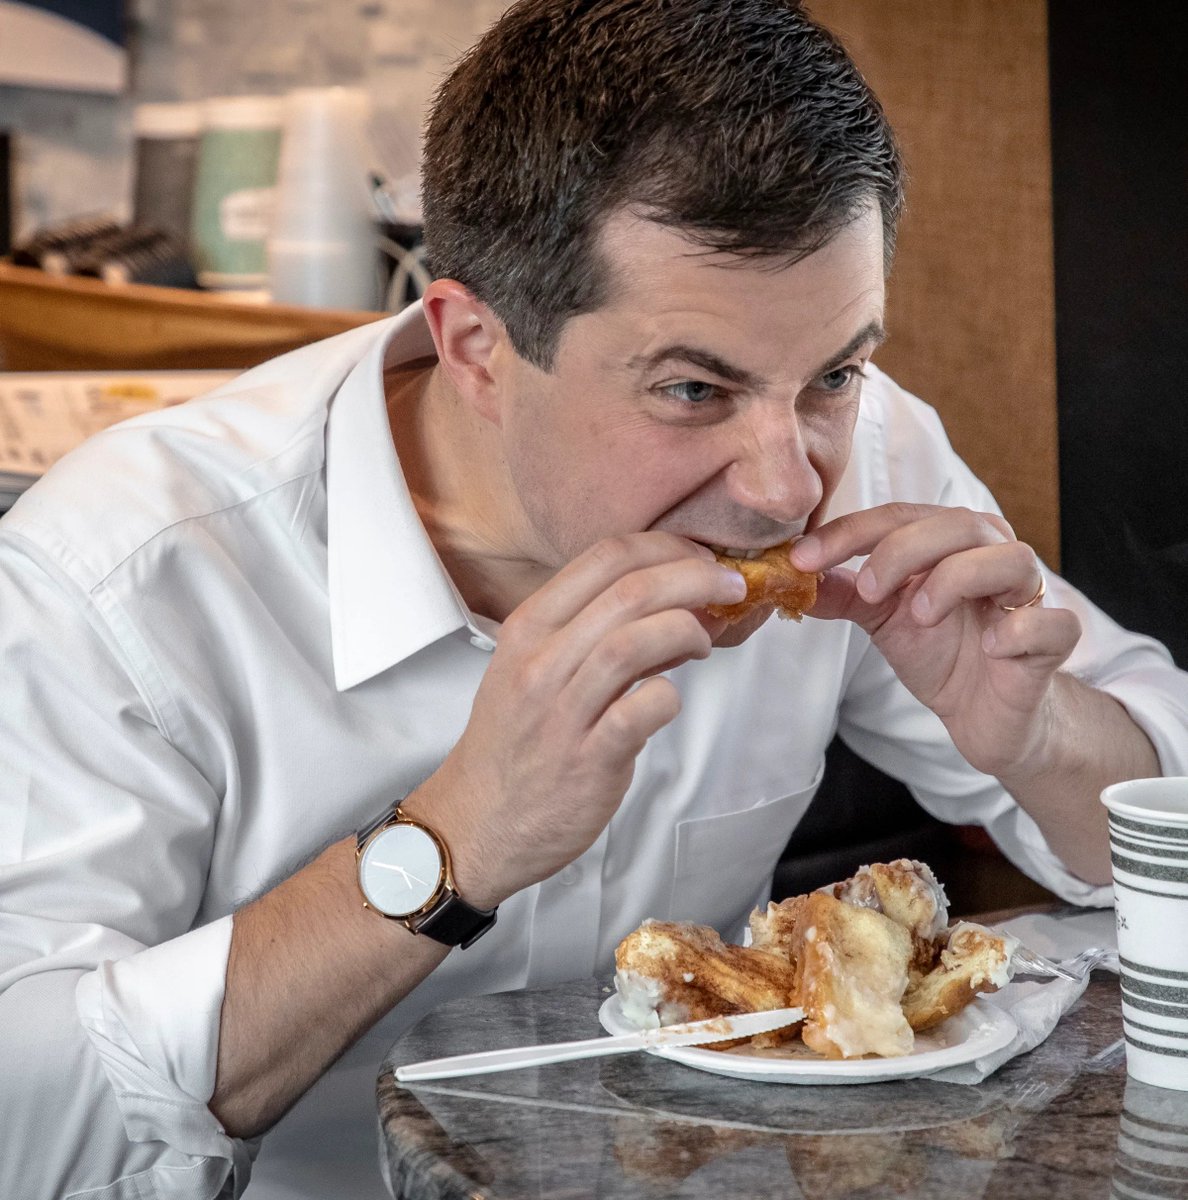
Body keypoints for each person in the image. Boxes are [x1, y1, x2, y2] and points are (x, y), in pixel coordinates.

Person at [1, 2, 1184, 1197]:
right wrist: (451, 845)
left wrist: (1040, 740)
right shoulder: (120, 575)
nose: (786, 485)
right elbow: (29, 1129)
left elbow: (1167, 814)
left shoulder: (864, 448)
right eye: (690, 390)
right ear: (475, 348)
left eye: (835, 371)